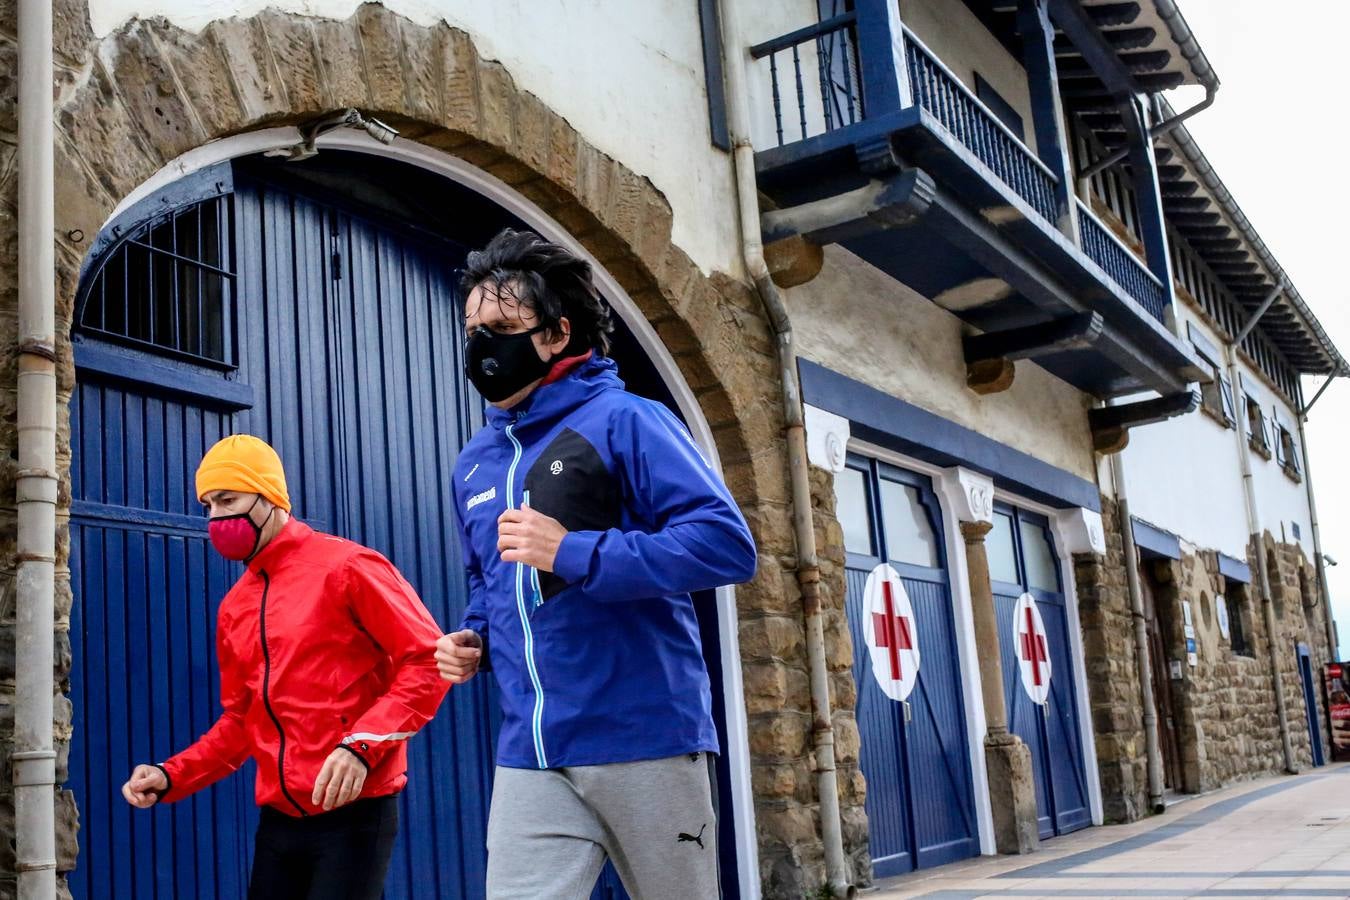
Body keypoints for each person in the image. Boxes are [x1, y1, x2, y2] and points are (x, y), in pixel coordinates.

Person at [435, 228, 757, 899]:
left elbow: (725, 543)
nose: (481, 345)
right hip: (533, 752)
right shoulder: (475, 463)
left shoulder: (629, 421)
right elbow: (488, 579)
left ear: (555, 334)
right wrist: (477, 639)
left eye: (501, 326)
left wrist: (572, 551)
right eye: (472, 329)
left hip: (648, 741)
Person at [120, 435, 450, 900]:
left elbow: (427, 659)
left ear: (270, 498)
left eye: (228, 499)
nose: (217, 517)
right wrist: (172, 774)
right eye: (209, 505)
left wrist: (361, 746)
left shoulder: (349, 567)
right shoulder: (236, 606)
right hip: (280, 821)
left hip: (353, 814)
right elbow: (241, 721)